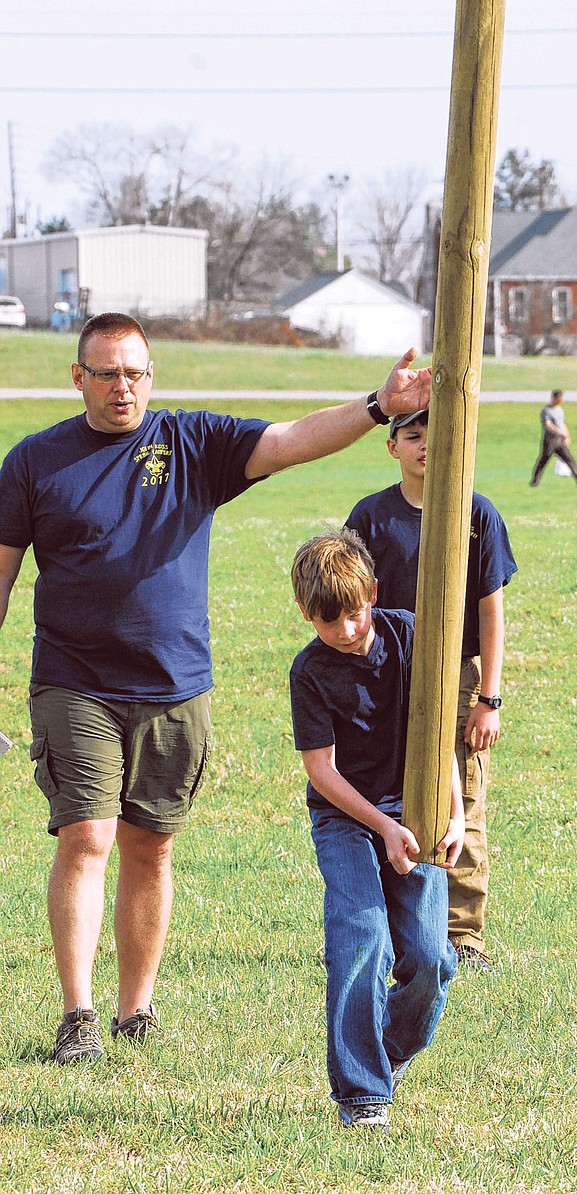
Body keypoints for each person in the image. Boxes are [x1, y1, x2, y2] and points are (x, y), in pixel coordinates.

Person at [0, 312, 432, 1065]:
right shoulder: (35, 463)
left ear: (151, 376)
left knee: (152, 848)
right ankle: (79, 1014)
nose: (122, 386)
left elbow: (291, 441)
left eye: (135, 372)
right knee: (87, 835)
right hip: (74, 681)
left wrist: (377, 409)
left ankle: (137, 1009)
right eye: (106, 373)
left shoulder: (189, 444)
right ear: (79, 378)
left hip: (175, 685)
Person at [289, 529, 464, 1132]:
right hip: (346, 818)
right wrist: (384, 828)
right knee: (363, 939)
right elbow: (321, 771)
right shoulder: (309, 672)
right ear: (305, 614)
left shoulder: (408, 633)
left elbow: (438, 730)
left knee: (432, 959)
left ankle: (379, 1053)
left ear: (374, 594)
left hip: (415, 809)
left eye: (355, 612)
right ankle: (362, 1092)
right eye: (328, 620)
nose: (346, 630)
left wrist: (454, 810)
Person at [345, 410, 517, 971]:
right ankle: (395, 924)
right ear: (392, 446)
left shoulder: (477, 513)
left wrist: (488, 698)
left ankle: (463, 934)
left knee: (461, 798)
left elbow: (492, 613)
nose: (425, 447)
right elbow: (349, 602)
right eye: (413, 436)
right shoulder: (369, 517)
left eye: (435, 436)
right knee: (383, 791)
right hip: (384, 671)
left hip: (457, 675)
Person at [530, 389, 577, 487]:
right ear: (555, 398)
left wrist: (567, 435)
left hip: (559, 441)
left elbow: (562, 424)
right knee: (543, 460)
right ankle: (535, 480)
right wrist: (559, 432)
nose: (562, 400)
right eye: (561, 398)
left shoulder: (560, 410)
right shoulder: (546, 410)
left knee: (569, 459)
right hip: (550, 441)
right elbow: (548, 424)